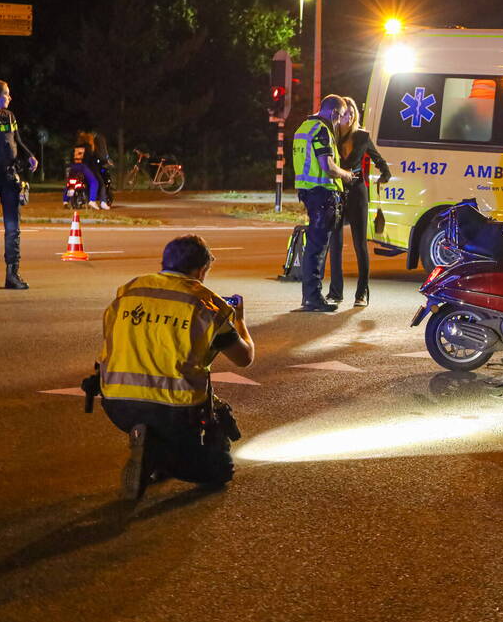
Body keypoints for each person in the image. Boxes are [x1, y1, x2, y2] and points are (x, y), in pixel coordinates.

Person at [97, 235, 255, 500]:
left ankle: (151, 449)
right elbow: (244, 358)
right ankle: (161, 456)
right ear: (201, 270)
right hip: (176, 409)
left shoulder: (130, 289)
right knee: (218, 472)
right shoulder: (207, 305)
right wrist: (239, 321)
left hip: (117, 404)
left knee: (164, 423)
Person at [292, 94, 355, 312]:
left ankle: (310, 296)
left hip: (310, 193)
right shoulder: (321, 130)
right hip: (322, 195)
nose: (338, 123)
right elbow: (327, 165)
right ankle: (313, 298)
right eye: (339, 118)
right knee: (317, 248)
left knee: (314, 245)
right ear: (334, 113)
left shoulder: (302, 128)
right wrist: (346, 175)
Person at [326, 96, 391, 307]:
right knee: (334, 244)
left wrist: (385, 174)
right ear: (339, 115)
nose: (350, 115)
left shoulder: (362, 137)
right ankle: (335, 292)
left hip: (357, 194)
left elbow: (379, 160)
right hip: (336, 193)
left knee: (359, 245)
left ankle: (361, 292)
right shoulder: (331, 136)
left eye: (353, 112)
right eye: (347, 112)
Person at [0, 79, 38, 290]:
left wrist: (30, 156)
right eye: (6, 94)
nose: (9, 98)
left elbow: (17, 140)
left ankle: (12, 275)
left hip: (8, 176)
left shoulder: (9, 116)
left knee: (13, 228)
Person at [65, 132, 108, 210]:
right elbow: (90, 158)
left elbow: (71, 158)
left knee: (70, 183)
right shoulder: (88, 147)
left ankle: (65, 200)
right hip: (83, 166)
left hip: (73, 166)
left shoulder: (75, 147)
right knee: (94, 182)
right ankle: (92, 200)